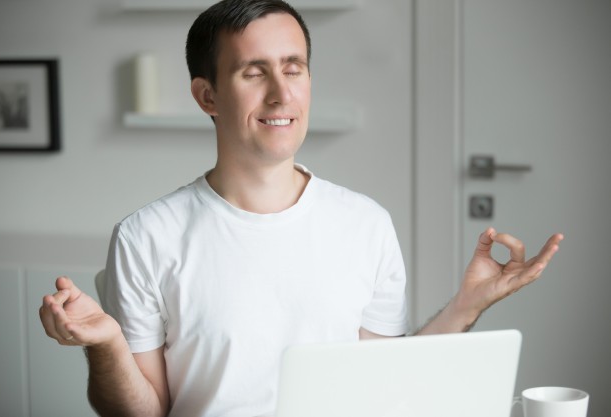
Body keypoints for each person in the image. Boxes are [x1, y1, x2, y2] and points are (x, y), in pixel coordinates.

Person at [38, 1, 564, 416]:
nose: (281, 94)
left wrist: (468, 304)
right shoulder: (146, 235)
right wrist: (106, 343)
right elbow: (142, 412)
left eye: (294, 68)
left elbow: (385, 383)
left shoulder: (366, 223)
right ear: (207, 96)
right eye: (253, 72)